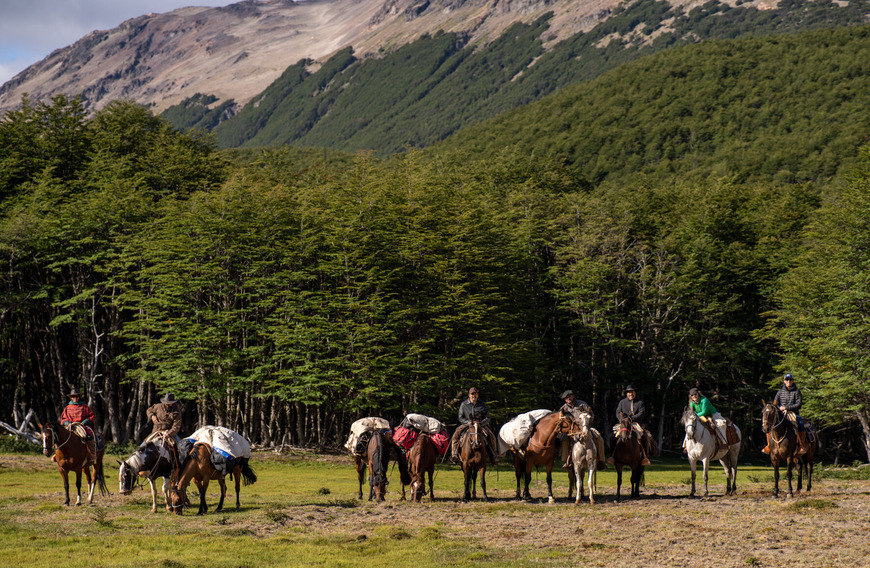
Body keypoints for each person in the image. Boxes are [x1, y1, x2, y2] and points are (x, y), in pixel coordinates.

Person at [558, 390, 606, 470]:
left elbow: (591, 415)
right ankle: (566, 462)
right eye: (566, 397)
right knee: (564, 440)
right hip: (571, 430)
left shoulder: (582, 404)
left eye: (570, 396)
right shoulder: (563, 408)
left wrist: (587, 425)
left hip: (584, 427)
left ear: (573, 396)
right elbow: (560, 419)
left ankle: (601, 461)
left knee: (599, 439)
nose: (568, 398)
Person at [450, 387, 498, 466]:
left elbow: (487, 417)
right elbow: (460, 417)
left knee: (491, 435)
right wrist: (467, 423)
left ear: (477, 395)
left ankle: (493, 455)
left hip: (480, 425)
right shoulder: (464, 404)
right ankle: (454, 454)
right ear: (469, 395)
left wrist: (481, 423)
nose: (474, 396)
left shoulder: (482, 404)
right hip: (467, 424)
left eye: (475, 394)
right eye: (472, 394)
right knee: (456, 434)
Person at [766, 373, 808, 455]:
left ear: (793, 381)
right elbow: (775, 403)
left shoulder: (797, 392)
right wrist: (779, 408)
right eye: (787, 380)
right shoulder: (780, 392)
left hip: (793, 413)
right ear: (784, 381)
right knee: (769, 425)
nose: (788, 381)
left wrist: (786, 407)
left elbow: (798, 404)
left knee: (800, 425)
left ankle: (801, 445)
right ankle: (768, 446)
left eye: (790, 380)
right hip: (781, 413)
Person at [609, 385, 652, 466]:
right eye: (629, 392)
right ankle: (612, 456)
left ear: (635, 393)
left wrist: (631, 418)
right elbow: (618, 412)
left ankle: (644, 457)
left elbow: (641, 413)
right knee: (612, 436)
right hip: (623, 423)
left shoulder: (640, 403)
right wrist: (622, 419)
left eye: (632, 392)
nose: (630, 394)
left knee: (644, 437)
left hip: (636, 423)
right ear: (626, 393)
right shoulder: (622, 402)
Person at [60, 387, 97, 462]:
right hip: (71, 426)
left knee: (88, 437)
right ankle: (58, 455)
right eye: (73, 396)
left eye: (76, 396)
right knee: (60, 437)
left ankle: (92, 454)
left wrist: (84, 422)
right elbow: (63, 418)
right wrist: (68, 423)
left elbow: (91, 416)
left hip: (82, 426)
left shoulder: (85, 407)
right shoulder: (67, 408)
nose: (75, 398)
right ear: (71, 398)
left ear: (79, 397)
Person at [688, 388, 728, 454]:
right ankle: (685, 446)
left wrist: (695, 415)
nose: (694, 396)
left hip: (712, 414)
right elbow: (692, 412)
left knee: (720, 424)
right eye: (692, 395)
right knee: (690, 426)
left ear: (698, 394)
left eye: (695, 394)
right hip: (700, 416)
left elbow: (704, 411)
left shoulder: (704, 400)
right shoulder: (692, 403)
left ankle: (723, 443)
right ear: (690, 396)